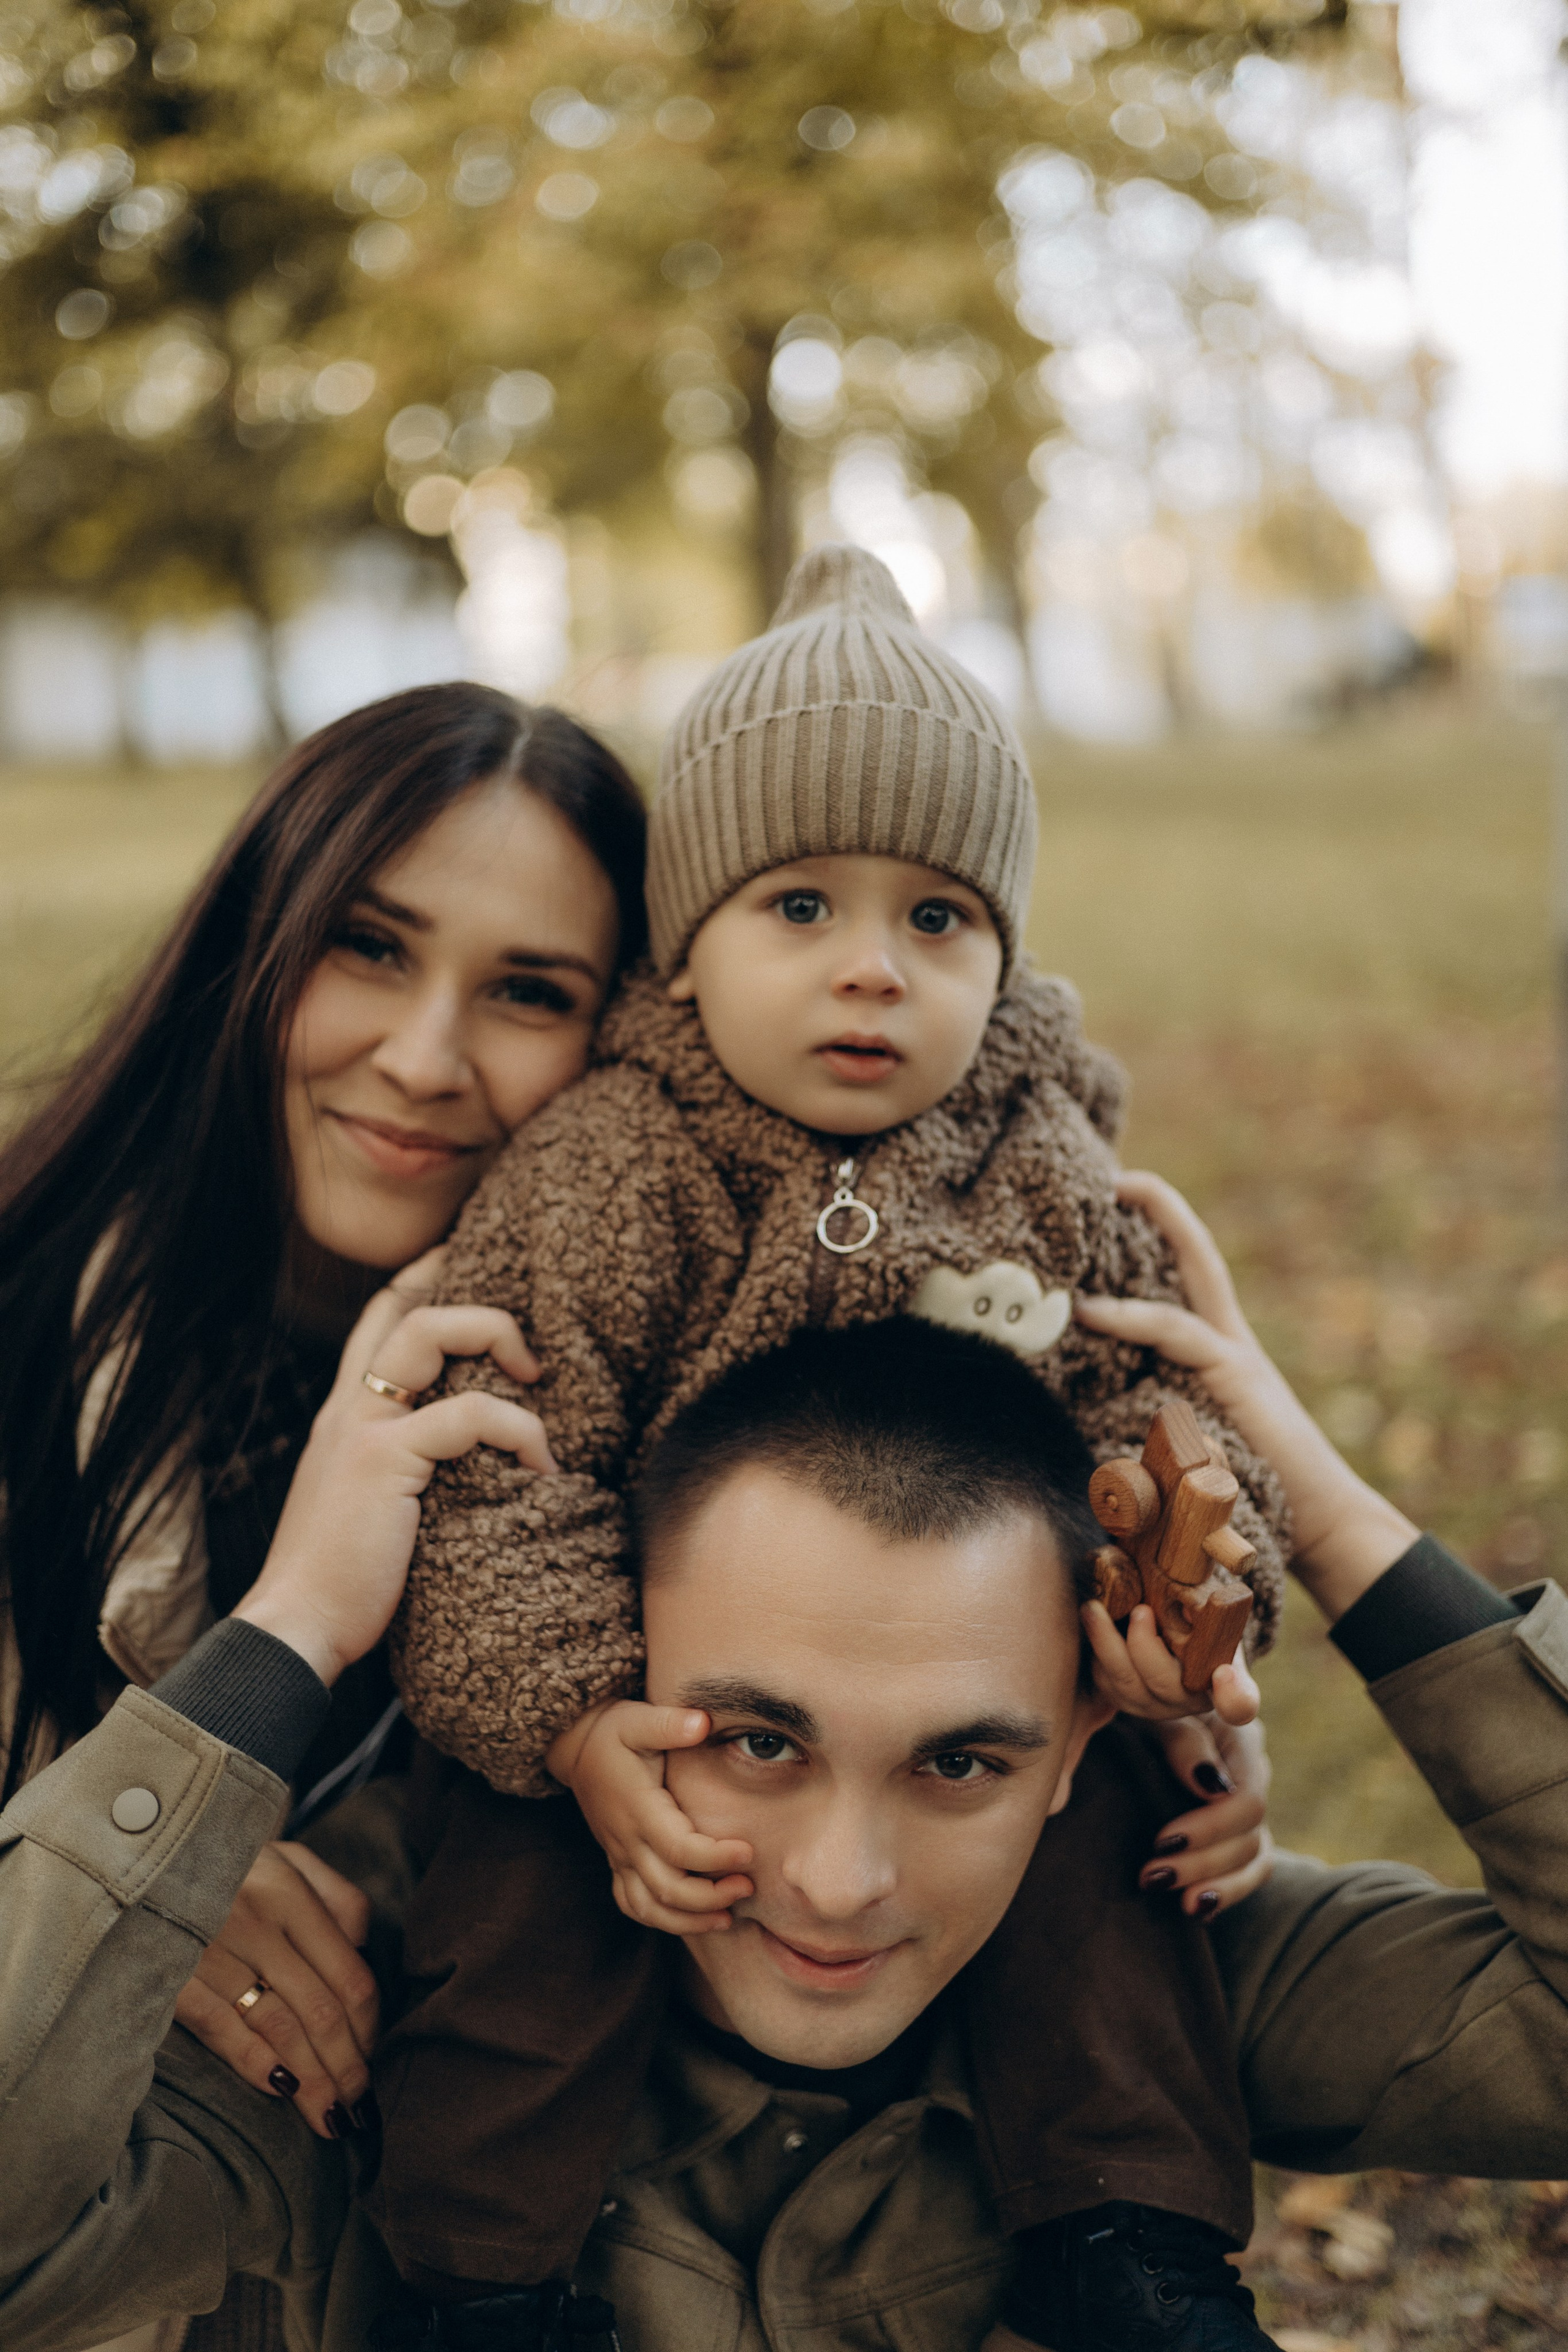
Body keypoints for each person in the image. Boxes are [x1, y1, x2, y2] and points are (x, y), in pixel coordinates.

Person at [3, 1204, 1567, 2352]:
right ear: (621, 1679)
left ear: (1079, 1748)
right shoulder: (357, 1985)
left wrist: (1321, 1507)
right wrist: (290, 1634)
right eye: (757, 1742)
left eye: (959, 1761)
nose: (838, 1880)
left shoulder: (1169, 1943)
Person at [375, 544, 1292, 2337]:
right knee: (519, 1899)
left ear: (1004, 952)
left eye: (936, 919)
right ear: (688, 940)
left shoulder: (1042, 1163)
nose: (872, 971)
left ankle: (1132, 2241)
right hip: (659, 1696)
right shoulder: (615, 1168)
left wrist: (1184, 1631)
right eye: (801, 907)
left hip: (958, 1700)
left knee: (1109, 1859)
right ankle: (482, 2276)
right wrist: (574, 1722)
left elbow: (1150, 1409)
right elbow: (499, 1459)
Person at [0, 682, 646, 2340]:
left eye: (529, 991)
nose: (425, 1059)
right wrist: (272, 1658)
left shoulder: (630, 1405)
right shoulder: (24, 1317)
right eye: (369, 945)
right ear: (256, 941)